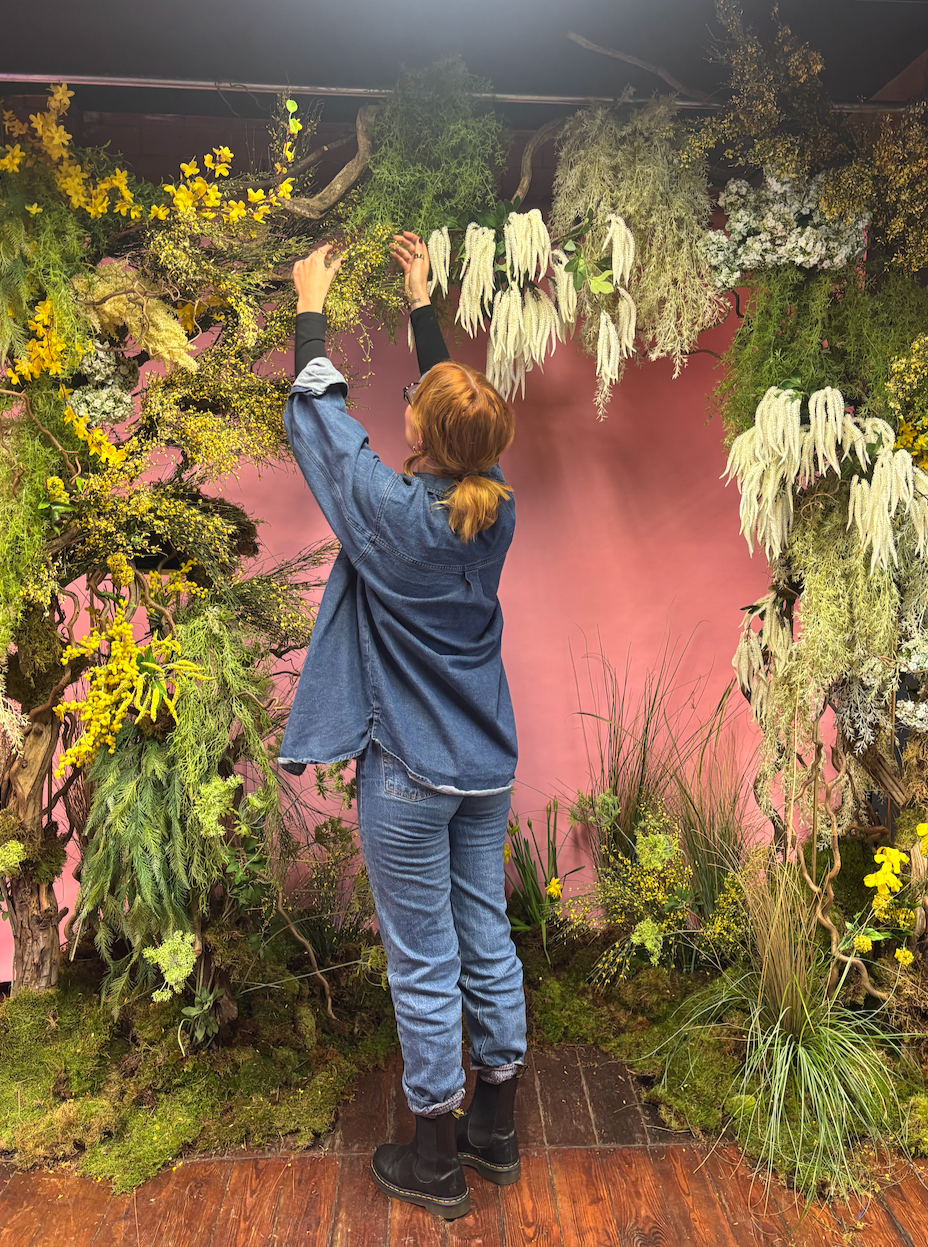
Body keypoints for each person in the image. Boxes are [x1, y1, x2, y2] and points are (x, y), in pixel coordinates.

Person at [279, 237, 526, 1220]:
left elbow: (322, 424)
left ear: (420, 434)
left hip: (410, 772)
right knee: (484, 933)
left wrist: (310, 308)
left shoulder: (389, 511)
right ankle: (495, 1127)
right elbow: (459, 432)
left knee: (422, 958)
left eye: (417, 407)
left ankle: (435, 1156)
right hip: (485, 763)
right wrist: (423, 307)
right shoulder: (496, 509)